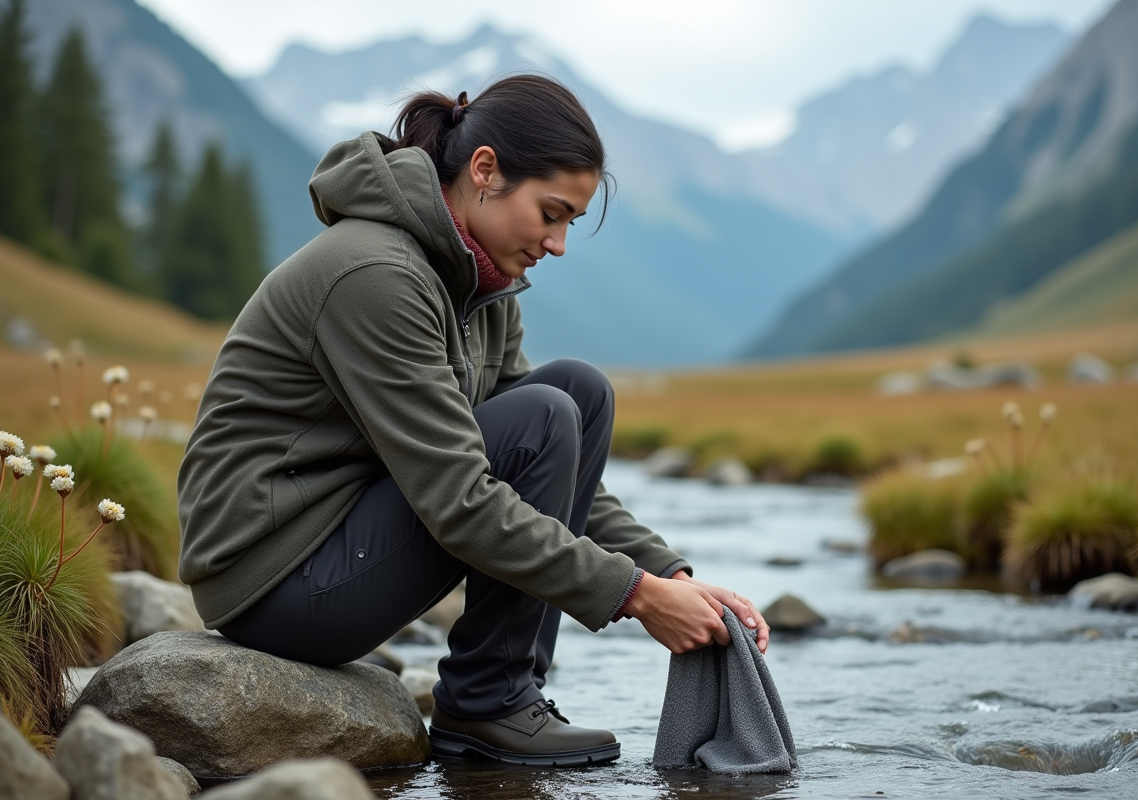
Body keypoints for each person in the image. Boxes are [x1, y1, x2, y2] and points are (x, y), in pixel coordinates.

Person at [177, 74, 769, 767]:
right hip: (273, 579)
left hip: (338, 536)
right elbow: (459, 497)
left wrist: (668, 572)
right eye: (551, 213)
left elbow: (551, 457)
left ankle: (505, 695)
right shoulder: (375, 275)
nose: (558, 244)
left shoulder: (480, 284)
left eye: (570, 223)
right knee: (547, 412)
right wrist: (635, 596)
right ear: (485, 170)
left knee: (577, 394)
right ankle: (488, 703)